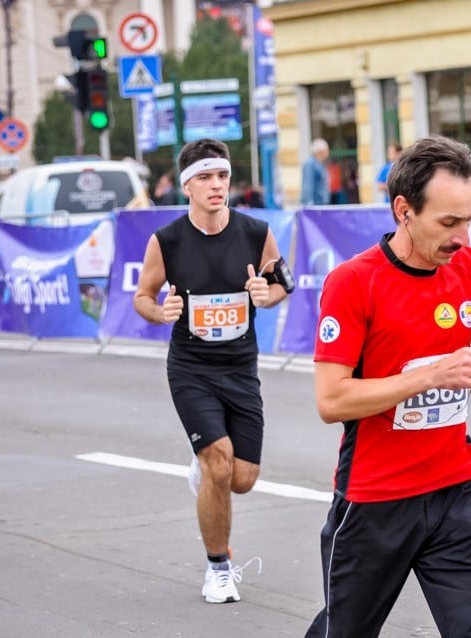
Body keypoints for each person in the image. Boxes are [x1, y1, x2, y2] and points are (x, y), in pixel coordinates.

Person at [307, 135, 471, 637]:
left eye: (470, 219)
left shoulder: (468, 268)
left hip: (453, 493)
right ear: (403, 210)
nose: (464, 238)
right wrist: (433, 375)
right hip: (374, 501)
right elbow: (331, 399)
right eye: (449, 223)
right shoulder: (353, 282)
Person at [132, 138, 291, 604]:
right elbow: (143, 295)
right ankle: (218, 568)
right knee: (218, 461)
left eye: (221, 176)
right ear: (187, 186)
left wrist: (269, 295)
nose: (217, 185)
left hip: (241, 368)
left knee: (241, 479)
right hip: (191, 369)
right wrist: (159, 312)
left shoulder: (255, 231)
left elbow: (285, 280)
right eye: (205, 177)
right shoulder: (167, 241)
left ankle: (205, 472)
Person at [300, 138, 330, 205]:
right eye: (327, 149)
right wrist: (309, 205)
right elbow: (307, 185)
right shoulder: (310, 164)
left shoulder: (319, 164)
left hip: (321, 205)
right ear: (320, 151)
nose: (328, 151)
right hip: (316, 206)